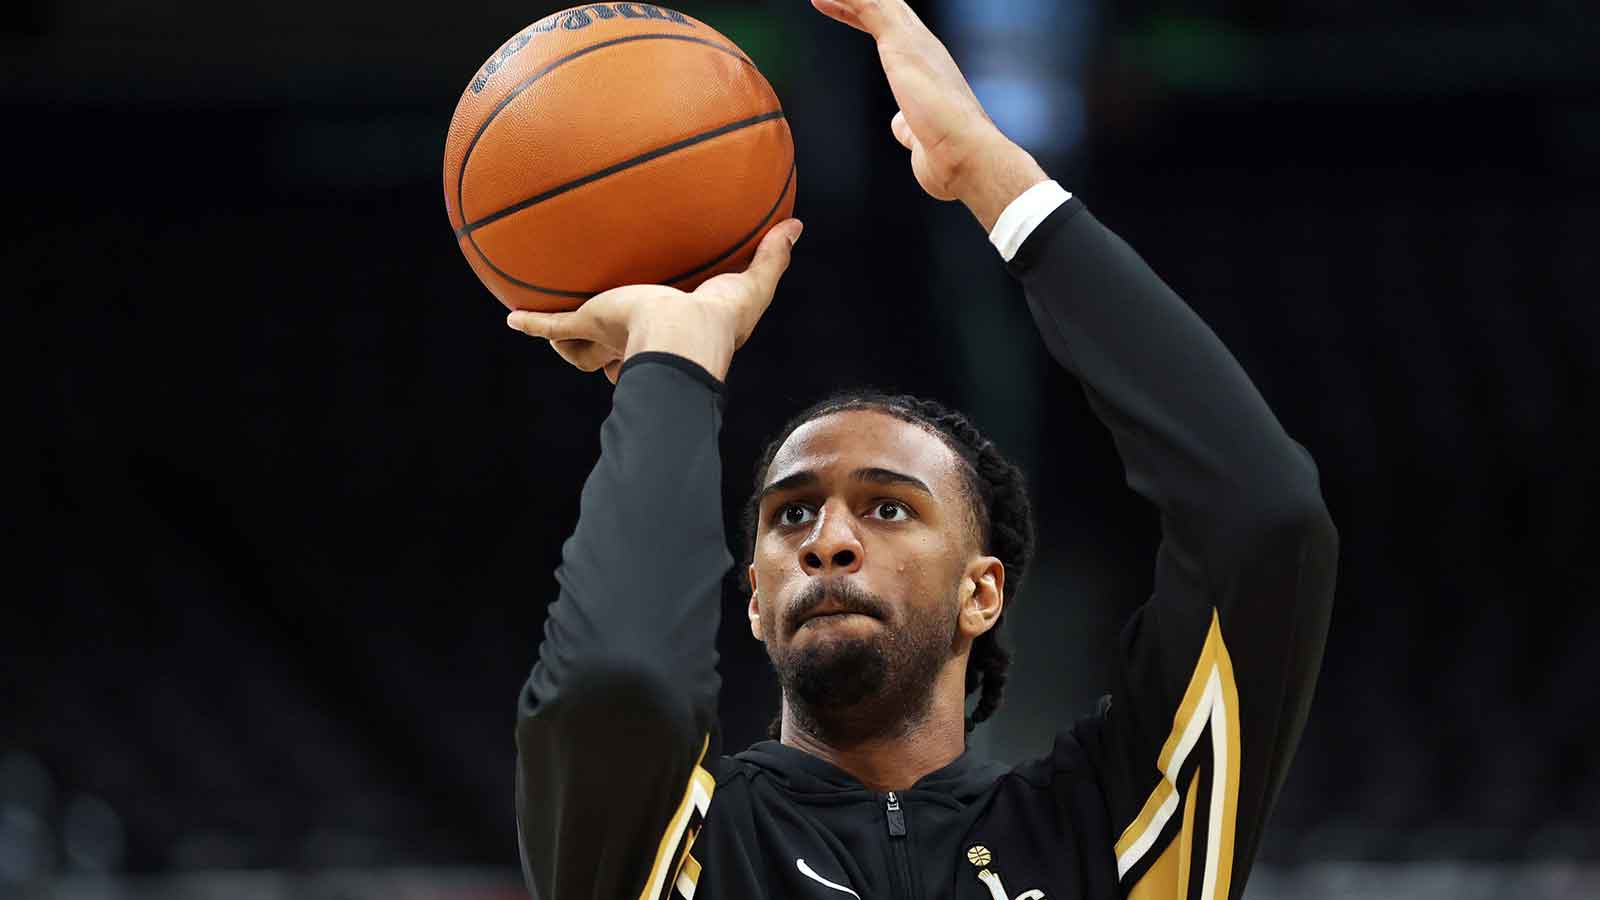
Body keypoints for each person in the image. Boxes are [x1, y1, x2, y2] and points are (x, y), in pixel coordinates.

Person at [503, 1, 1338, 897]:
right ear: (752, 599)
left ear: (982, 591)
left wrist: (995, 177)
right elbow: (616, 687)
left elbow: (1265, 515)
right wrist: (673, 360)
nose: (828, 537)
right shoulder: (684, 844)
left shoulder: (1111, 831)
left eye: (889, 505)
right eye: (790, 516)